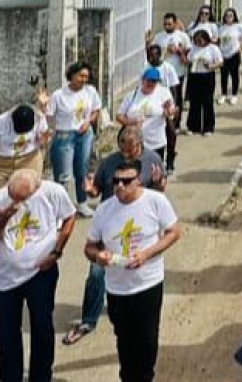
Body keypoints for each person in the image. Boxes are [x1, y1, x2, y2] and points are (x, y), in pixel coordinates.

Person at [62, 125, 167, 346]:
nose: (125, 154)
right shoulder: (109, 162)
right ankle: (88, 320)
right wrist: (90, 190)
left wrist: (159, 181)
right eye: (122, 148)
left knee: (137, 275)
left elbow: (160, 191)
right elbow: (97, 189)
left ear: (140, 145)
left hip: (139, 230)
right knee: (96, 273)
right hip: (109, 226)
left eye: (130, 150)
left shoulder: (152, 159)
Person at [84, 159, 181, 382]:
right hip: (117, 290)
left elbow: (174, 232)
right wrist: (98, 256)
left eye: (126, 181)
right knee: (125, 343)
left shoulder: (155, 201)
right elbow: (89, 247)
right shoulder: (104, 210)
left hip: (148, 284)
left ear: (138, 180)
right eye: (116, 181)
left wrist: (147, 254)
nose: (120, 186)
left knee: (147, 342)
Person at [0, 169, 74, 382]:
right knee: (5, 333)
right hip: (6, 277)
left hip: (41, 272)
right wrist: (4, 218)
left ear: (36, 188)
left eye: (22, 198)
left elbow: (69, 218)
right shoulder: (1, 197)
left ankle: (41, 376)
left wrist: (56, 252)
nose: (16, 202)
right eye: (13, 196)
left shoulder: (53, 192)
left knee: (42, 328)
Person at [0, 98, 50, 235]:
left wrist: (42, 141)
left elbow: (45, 135)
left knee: (31, 198)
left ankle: (32, 232)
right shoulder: (0, 122)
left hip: (29, 159)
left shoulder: (39, 118)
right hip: (2, 163)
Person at [46, 60, 103, 217]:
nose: (83, 79)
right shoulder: (59, 95)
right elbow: (49, 116)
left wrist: (88, 122)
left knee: (82, 170)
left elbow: (96, 110)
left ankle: (82, 203)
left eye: (86, 77)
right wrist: (52, 132)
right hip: (64, 135)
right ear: (71, 75)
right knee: (63, 175)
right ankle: (61, 209)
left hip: (84, 134)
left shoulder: (90, 91)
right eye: (80, 76)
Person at [116, 68, 177, 160]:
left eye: (154, 81)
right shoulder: (132, 95)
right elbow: (119, 116)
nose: (150, 83)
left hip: (156, 142)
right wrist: (130, 122)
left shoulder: (163, 93)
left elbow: (170, 110)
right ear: (143, 80)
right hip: (134, 144)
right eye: (148, 80)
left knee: (154, 167)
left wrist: (168, 110)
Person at [217, 7, 242, 105]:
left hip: (234, 54)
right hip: (223, 55)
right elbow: (218, 40)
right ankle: (223, 94)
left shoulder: (238, 26)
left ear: (234, 17)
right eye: (227, 16)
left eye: (231, 16)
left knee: (234, 75)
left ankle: (234, 95)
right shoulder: (221, 28)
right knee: (223, 75)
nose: (229, 18)